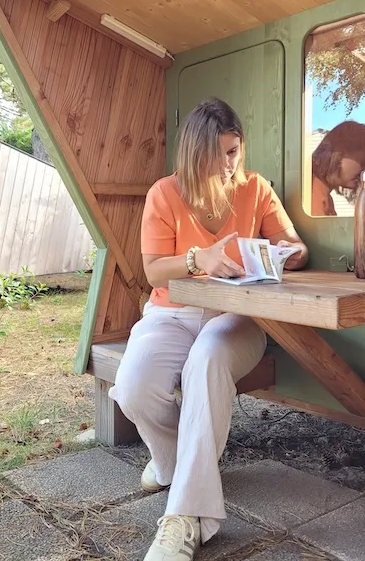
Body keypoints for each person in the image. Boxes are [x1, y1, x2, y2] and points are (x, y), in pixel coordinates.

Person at [108, 97, 309, 560]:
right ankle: (173, 464)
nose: (226, 165)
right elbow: (154, 270)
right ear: (192, 153)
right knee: (133, 387)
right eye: (215, 155)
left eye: (233, 151)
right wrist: (199, 258)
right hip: (171, 313)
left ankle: (185, 519)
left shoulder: (255, 188)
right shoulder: (164, 193)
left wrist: (286, 254)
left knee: (206, 360)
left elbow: (294, 245)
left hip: (236, 319)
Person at [310, 120, 365, 216]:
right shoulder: (312, 195)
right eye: (362, 162)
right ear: (338, 155)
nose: (364, 171)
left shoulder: (325, 197)